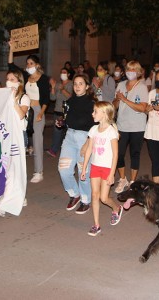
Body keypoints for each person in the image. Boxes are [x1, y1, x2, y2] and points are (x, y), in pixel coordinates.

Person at [8, 45, 50, 183]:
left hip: (38, 110)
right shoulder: (25, 76)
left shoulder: (43, 79)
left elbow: (46, 98)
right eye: (27, 64)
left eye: (31, 63)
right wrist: (11, 49)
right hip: (25, 109)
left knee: (37, 140)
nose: (28, 66)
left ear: (37, 65)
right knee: (22, 138)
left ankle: (39, 171)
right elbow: (11, 65)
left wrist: (41, 113)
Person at [80, 101, 123, 237]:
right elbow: (88, 150)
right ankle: (96, 225)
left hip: (107, 168)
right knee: (95, 195)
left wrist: (112, 174)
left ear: (104, 114)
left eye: (95, 111)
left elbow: (116, 154)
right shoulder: (93, 130)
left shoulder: (111, 132)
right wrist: (84, 167)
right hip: (95, 166)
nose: (92, 114)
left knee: (104, 198)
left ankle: (116, 208)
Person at [58, 74, 96, 215]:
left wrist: (88, 142)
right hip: (69, 137)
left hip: (84, 138)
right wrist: (61, 122)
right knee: (64, 169)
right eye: (75, 84)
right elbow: (67, 118)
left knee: (83, 172)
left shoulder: (92, 103)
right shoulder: (70, 101)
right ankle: (75, 194)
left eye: (81, 84)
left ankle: (86, 200)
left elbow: (96, 125)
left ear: (87, 86)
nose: (77, 86)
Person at [112, 60, 149, 193]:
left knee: (135, 153)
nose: (130, 72)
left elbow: (142, 108)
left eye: (133, 70)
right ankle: (123, 179)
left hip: (137, 126)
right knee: (118, 154)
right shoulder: (120, 84)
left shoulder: (142, 87)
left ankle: (133, 182)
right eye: (128, 69)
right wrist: (117, 99)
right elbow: (115, 105)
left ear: (138, 72)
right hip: (122, 125)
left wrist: (125, 100)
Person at [48, 67, 73, 158]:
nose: (62, 74)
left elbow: (70, 97)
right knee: (57, 131)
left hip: (66, 111)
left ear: (68, 74)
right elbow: (52, 98)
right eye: (61, 72)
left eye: (64, 72)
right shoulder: (58, 84)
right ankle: (54, 149)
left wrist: (63, 89)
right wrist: (53, 87)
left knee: (66, 132)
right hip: (57, 110)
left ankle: (59, 149)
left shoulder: (71, 84)